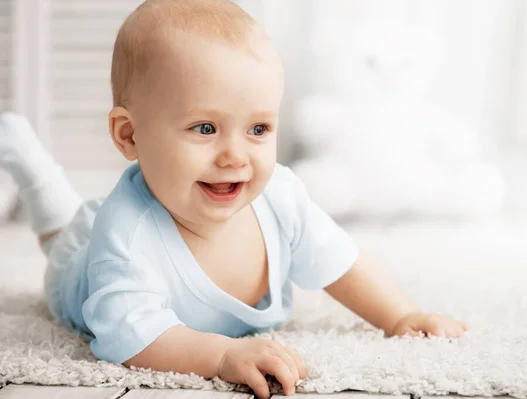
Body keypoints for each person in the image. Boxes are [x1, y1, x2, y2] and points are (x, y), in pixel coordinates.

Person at [0, 1, 468, 397]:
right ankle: (29, 161)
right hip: (82, 272)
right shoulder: (126, 233)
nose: (235, 156)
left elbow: (341, 261)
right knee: (62, 241)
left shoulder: (280, 196)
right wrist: (221, 354)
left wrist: (399, 314)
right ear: (130, 135)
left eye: (258, 129)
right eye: (205, 128)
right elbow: (131, 338)